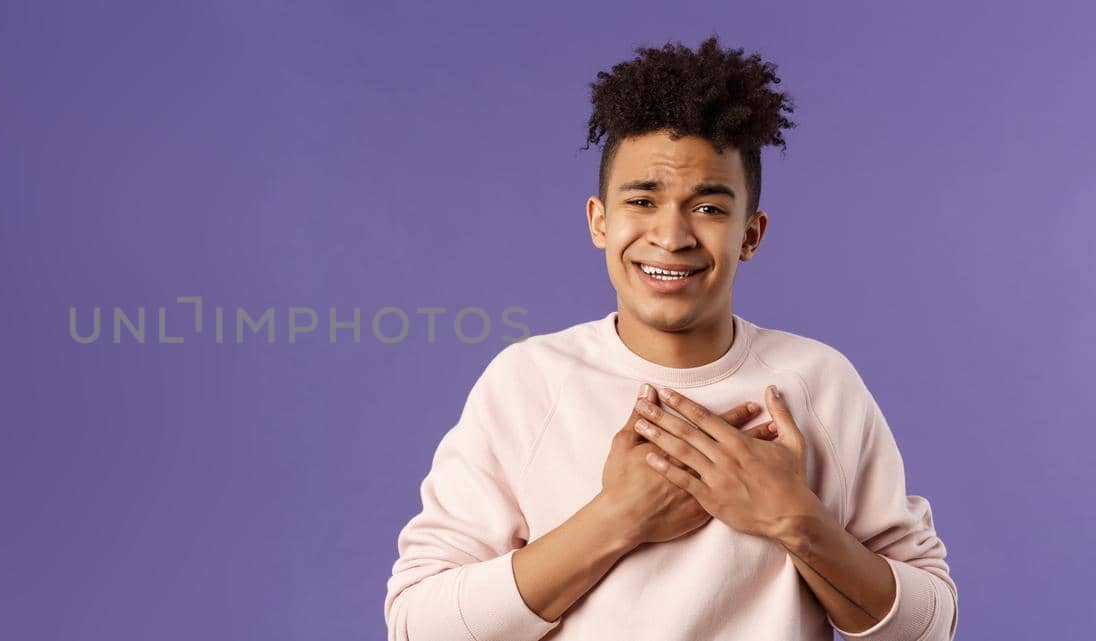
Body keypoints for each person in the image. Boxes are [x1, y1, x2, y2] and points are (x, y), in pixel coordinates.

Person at [383, 36, 958, 641]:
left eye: (708, 207)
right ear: (599, 221)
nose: (672, 234)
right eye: (642, 199)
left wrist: (795, 519)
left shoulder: (818, 383)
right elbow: (417, 626)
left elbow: (930, 626)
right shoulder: (528, 382)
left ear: (751, 235)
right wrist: (618, 517)